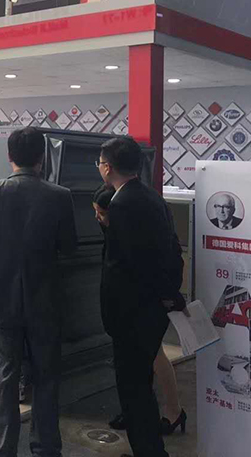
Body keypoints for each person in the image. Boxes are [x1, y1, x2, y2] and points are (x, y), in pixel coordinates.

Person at [0, 126, 77, 457]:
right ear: (42, 157)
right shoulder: (60, 196)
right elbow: (69, 248)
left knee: (5, 379)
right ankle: (46, 448)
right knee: (46, 378)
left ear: (9, 156)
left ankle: (3, 448)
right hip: (46, 302)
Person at [97, 137, 185, 457]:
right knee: (141, 385)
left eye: (100, 163)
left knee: (133, 389)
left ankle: (148, 451)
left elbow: (129, 265)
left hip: (132, 314)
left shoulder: (122, 204)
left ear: (108, 167)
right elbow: (169, 251)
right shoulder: (152, 198)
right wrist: (170, 295)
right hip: (152, 312)